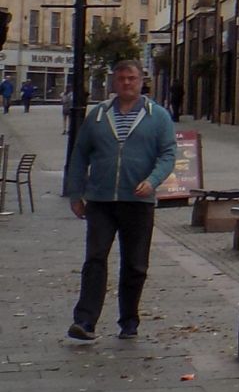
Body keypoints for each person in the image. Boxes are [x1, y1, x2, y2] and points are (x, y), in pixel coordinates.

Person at [60, 59, 176, 344]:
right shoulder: (98, 115)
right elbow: (80, 154)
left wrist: (153, 180)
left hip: (138, 201)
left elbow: (168, 154)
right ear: (114, 82)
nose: (126, 83)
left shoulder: (157, 116)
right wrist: (76, 193)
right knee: (95, 259)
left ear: (141, 81)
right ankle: (84, 321)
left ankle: (129, 320)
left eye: (132, 78)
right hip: (100, 200)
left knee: (135, 264)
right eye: (122, 78)